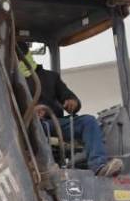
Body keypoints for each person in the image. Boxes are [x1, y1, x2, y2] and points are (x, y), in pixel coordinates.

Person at [17, 45, 121, 176]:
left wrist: (73, 102)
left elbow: (70, 97)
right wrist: (30, 113)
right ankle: (40, 170)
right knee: (34, 127)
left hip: (56, 123)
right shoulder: (13, 82)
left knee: (88, 121)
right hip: (30, 125)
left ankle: (99, 165)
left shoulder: (50, 77)